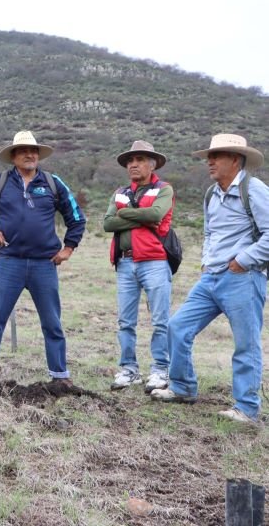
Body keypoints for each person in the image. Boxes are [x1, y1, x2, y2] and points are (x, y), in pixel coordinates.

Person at [152, 134, 269, 424]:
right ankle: (182, 387)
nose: (210, 161)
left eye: (217, 156)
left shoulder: (253, 190)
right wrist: (207, 261)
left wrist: (243, 260)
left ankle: (246, 408)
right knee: (177, 327)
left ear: (235, 159)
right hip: (212, 278)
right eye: (209, 156)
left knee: (246, 344)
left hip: (244, 277)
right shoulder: (211, 194)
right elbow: (209, 232)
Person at [0, 130, 86, 383]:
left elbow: (76, 218)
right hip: (9, 262)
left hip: (44, 265)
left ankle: (60, 377)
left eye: (34, 151)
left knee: (52, 323)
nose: (30, 155)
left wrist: (68, 249)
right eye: (24, 151)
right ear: (13, 156)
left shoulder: (53, 183)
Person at [103, 141, 174, 392]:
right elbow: (108, 224)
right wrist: (138, 216)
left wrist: (124, 214)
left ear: (152, 164)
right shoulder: (120, 191)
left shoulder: (164, 189)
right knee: (125, 321)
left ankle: (160, 370)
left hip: (154, 261)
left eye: (140, 159)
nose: (133, 164)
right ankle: (129, 370)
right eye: (130, 161)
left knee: (160, 320)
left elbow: (156, 215)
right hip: (125, 262)